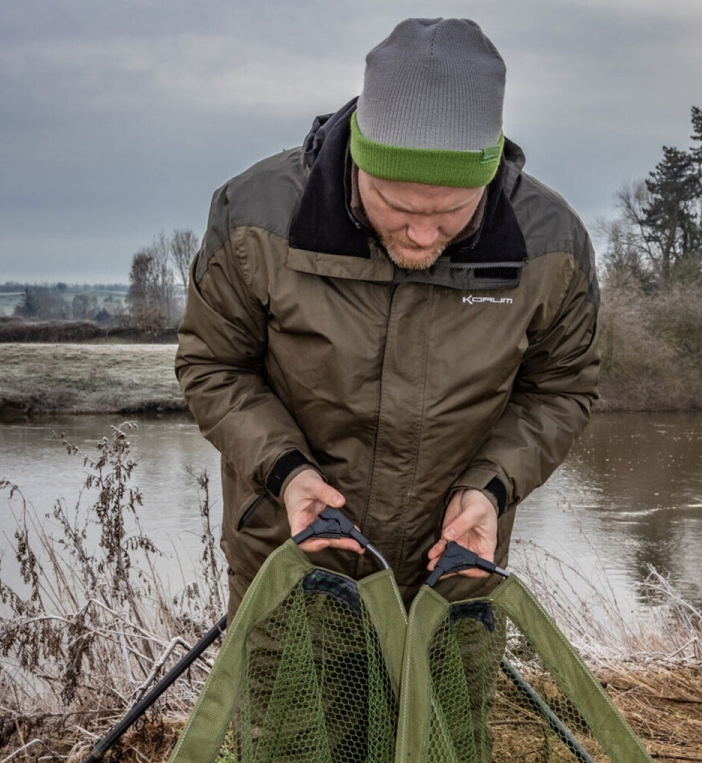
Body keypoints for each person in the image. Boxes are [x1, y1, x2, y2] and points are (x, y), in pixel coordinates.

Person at [176, 16, 600, 617]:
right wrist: (287, 472)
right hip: (291, 562)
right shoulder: (254, 220)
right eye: (397, 205)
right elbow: (213, 366)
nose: (423, 233)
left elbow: (562, 389)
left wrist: (492, 487)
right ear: (359, 160)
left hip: (454, 575)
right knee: (286, 714)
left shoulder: (552, 246)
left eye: (452, 210)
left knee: (443, 716)